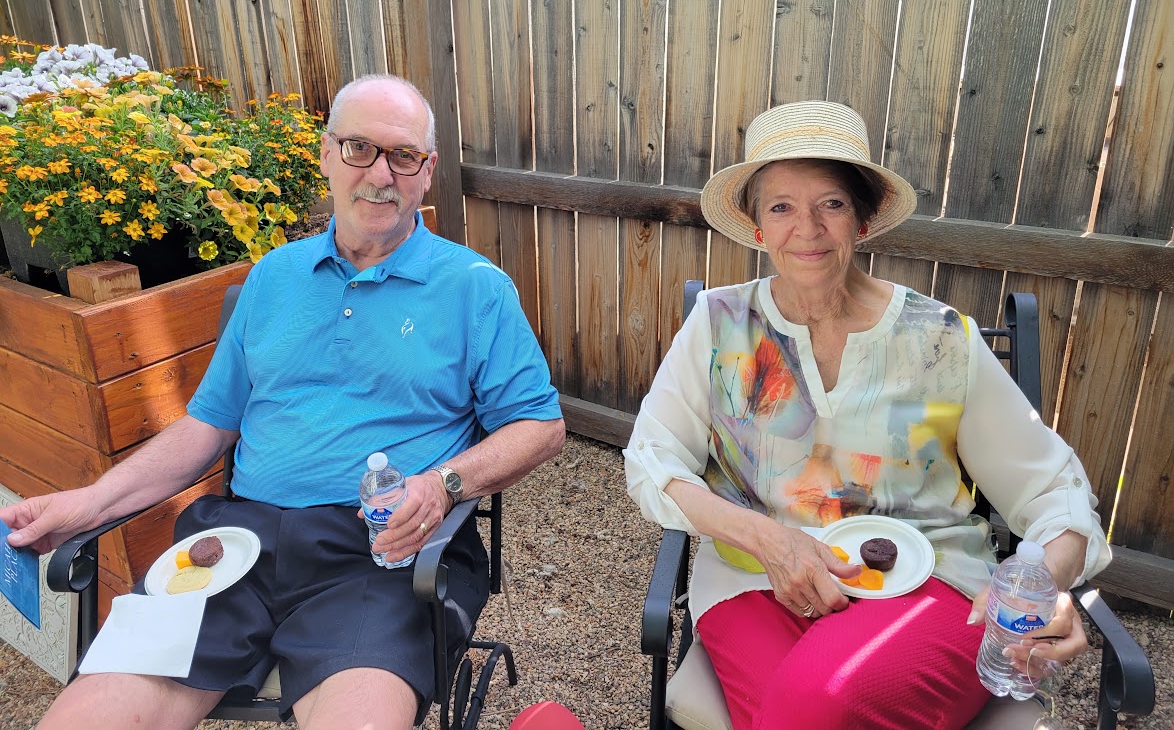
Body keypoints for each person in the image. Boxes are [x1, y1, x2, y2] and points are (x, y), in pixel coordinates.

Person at [1, 75, 566, 730]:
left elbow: (541, 427)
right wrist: (85, 504)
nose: (380, 175)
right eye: (359, 149)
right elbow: (205, 428)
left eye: (403, 155)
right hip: (232, 547)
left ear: (427, 170)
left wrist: (443, 484)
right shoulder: (273, 277)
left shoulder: (474, 289)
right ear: (326, 154)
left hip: (379, 557)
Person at [623, 100, 1110, 730]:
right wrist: (769, 539)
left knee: (808, 706)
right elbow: (652, 459)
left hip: (927, 586)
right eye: (781, 207)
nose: (808, 228)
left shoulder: (939, 341)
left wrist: (1044, 580)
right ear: (755, 225)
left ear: (863, 218)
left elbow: (1056, 491)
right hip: (753, 581)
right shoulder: (719, 326)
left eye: (831, 203)